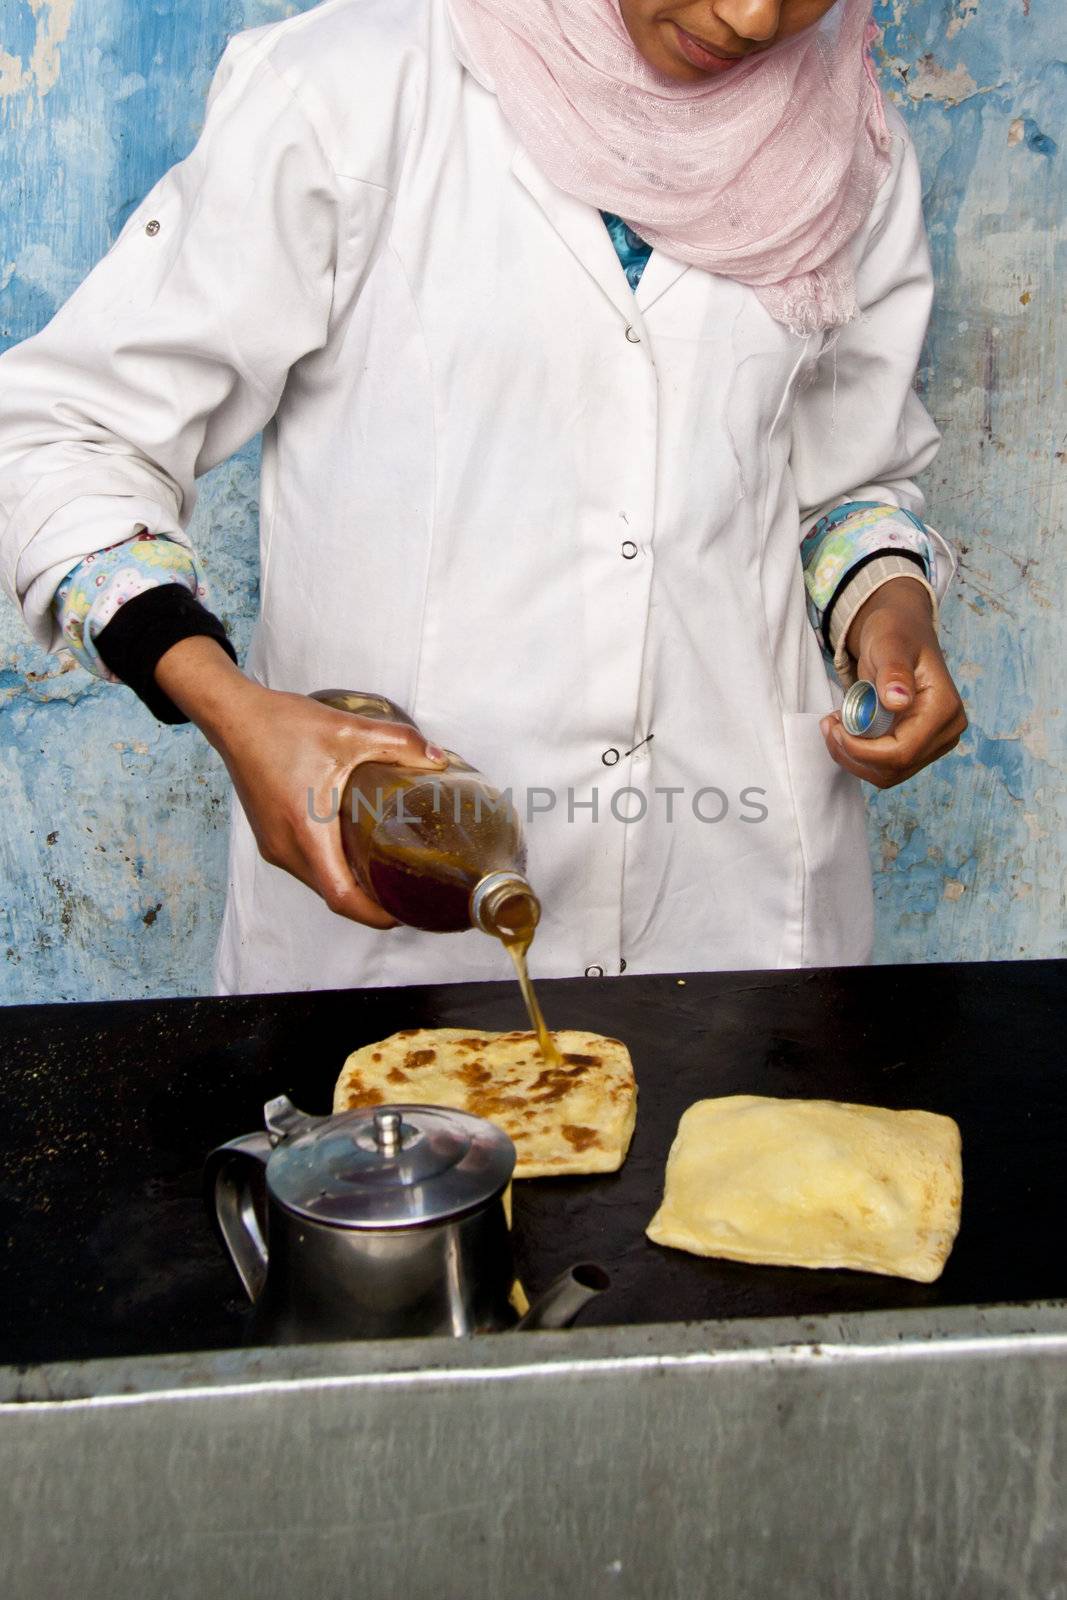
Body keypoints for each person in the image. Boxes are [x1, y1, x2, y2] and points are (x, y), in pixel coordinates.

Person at [0, 0, 967, 995]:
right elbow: (66, 433)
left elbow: (846, 481)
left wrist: (886, 609)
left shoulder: (844, 151)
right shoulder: (351, 89)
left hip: (735, 924)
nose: (751, 16)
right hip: (391, 919)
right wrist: (231, 707)